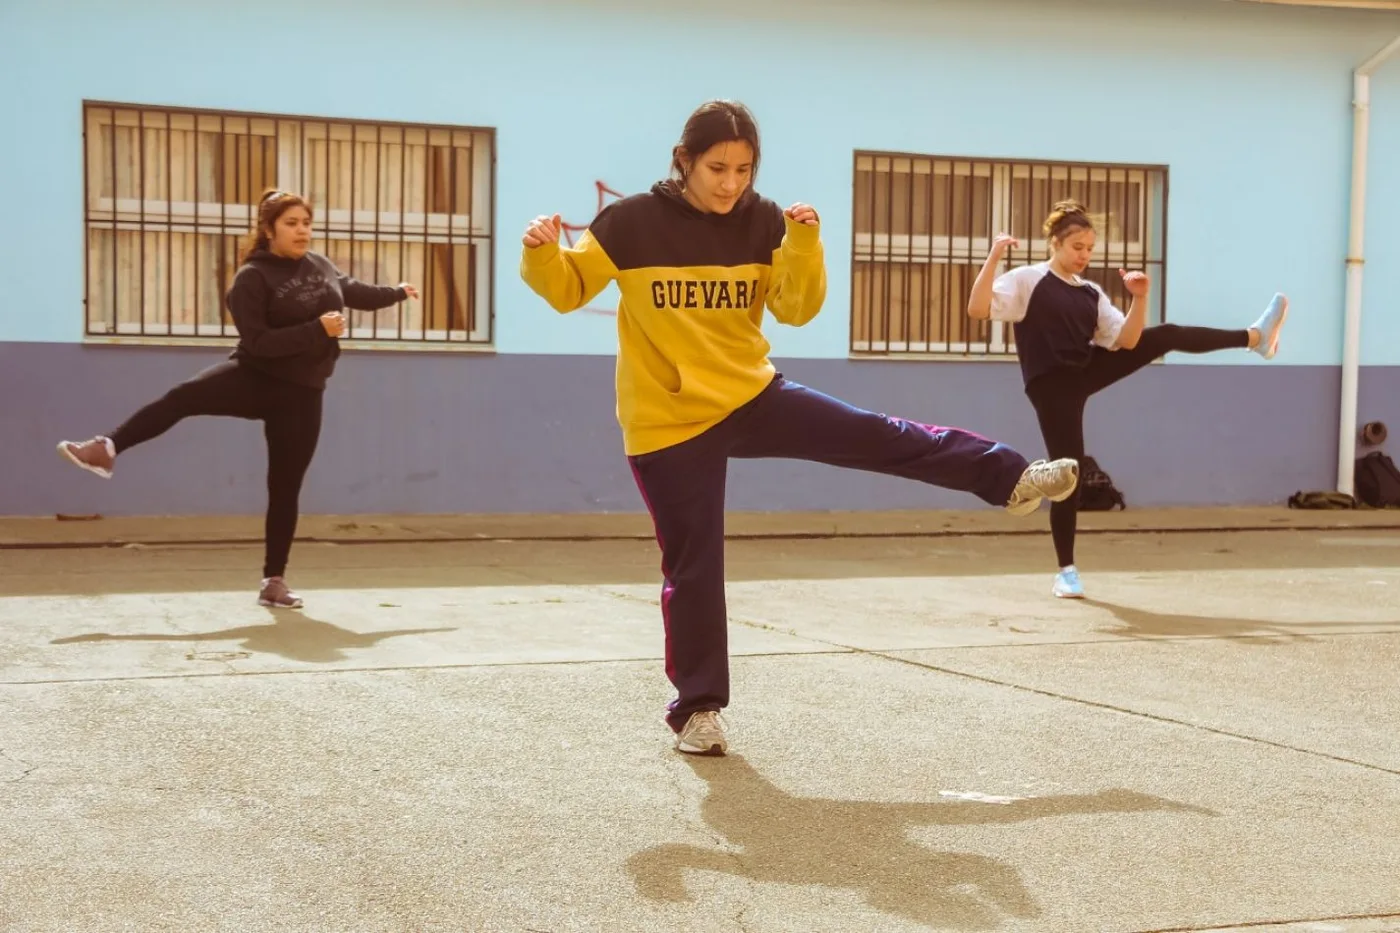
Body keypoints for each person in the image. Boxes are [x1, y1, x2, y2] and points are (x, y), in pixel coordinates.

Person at [519, 99, 1080, 756]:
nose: (731, 183)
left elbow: (797, 307)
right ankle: (698, 711)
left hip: (751, 392)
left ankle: (1010, 476)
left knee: (876, 433)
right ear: (685, 161)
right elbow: (567, 288)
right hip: (667, 421)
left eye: (743, 169)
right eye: (717, 167)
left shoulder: (763, 221)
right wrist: (542, 252)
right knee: (695, 564)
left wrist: (805, 244)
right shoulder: (631, 222)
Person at [57, 188, 419, 609]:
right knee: (182, 397)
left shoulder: (318, 264)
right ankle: (106, 447)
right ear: (269, 230)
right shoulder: (252, 278)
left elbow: (351, 289)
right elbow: (260, 342)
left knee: (285, 488)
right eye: (291, 223)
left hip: (303, 394)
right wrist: (316, 330)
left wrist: (395, 292)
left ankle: (274, 581)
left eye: (306, 223)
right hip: (255, 376)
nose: (302, 230)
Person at [967, 199, 1289, 600]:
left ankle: (1254, 338)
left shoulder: (1091, 293)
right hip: (1052, 385)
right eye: (1076, 247)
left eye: (1089, 249)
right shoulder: (1028, 280)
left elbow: (1129, 341)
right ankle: (1065, 571)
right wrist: (995, 255)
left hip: (1086, 369)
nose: (1084, 256)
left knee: (1165, 333)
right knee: (1068, 472)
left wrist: (1139, 298)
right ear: (1054, 243)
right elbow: (978, 308)